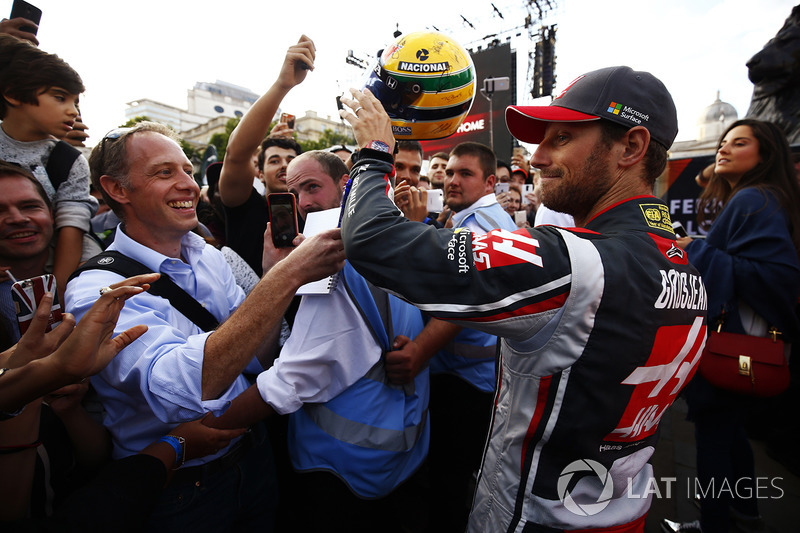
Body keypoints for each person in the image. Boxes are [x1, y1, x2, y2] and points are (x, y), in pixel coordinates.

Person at [338, 66, 707, 532]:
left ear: (630, 147)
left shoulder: (575, 260)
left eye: (562, 139)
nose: (537, 158)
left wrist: (374, 151)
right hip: (622, 513)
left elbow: (373, 240)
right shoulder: (686, 267)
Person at [64, 120, 345, 532]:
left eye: (187, 171)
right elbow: (190, 390)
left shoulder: (208, 256)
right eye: (164, 173)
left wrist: (275, 277)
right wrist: (285, 279)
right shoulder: (99, 289)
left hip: (252, 455)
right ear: (117, 189)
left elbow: (255, 356)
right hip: (178, 491)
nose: (189, 186)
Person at [208, 149, 458, 532]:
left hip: (341, 470)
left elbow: (289, 381)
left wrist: (196, 434)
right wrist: (277, 275)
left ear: (347, 187)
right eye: (294, 195)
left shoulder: (336, 262)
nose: (304, 203)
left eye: (313, 187)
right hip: (399, 457)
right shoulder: (390, 239)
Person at [663, 119, 800, 533]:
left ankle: (713, 524)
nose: (723, 149)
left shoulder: (755, 199)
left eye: (738, 143)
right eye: (722, 142)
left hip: (735, 348)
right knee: (731, 432)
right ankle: (747, 513)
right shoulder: (760, 197)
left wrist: (698, 249)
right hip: (746, 347)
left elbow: (777, 276)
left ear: (766, 154)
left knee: (713, 439)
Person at [0, 35, 99, 300]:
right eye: (60, 98)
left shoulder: (69, 161)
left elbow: (72, 227)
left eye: (76, 102)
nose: (73, 112)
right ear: (11, 93)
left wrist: (57, 294)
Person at [218, 36, 314, 276]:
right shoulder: (245, 206)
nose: (284, 165)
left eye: (291, 160)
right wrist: (283, 85)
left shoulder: (317, 216)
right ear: (258, 172)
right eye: (274, 160)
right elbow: (236, 154)